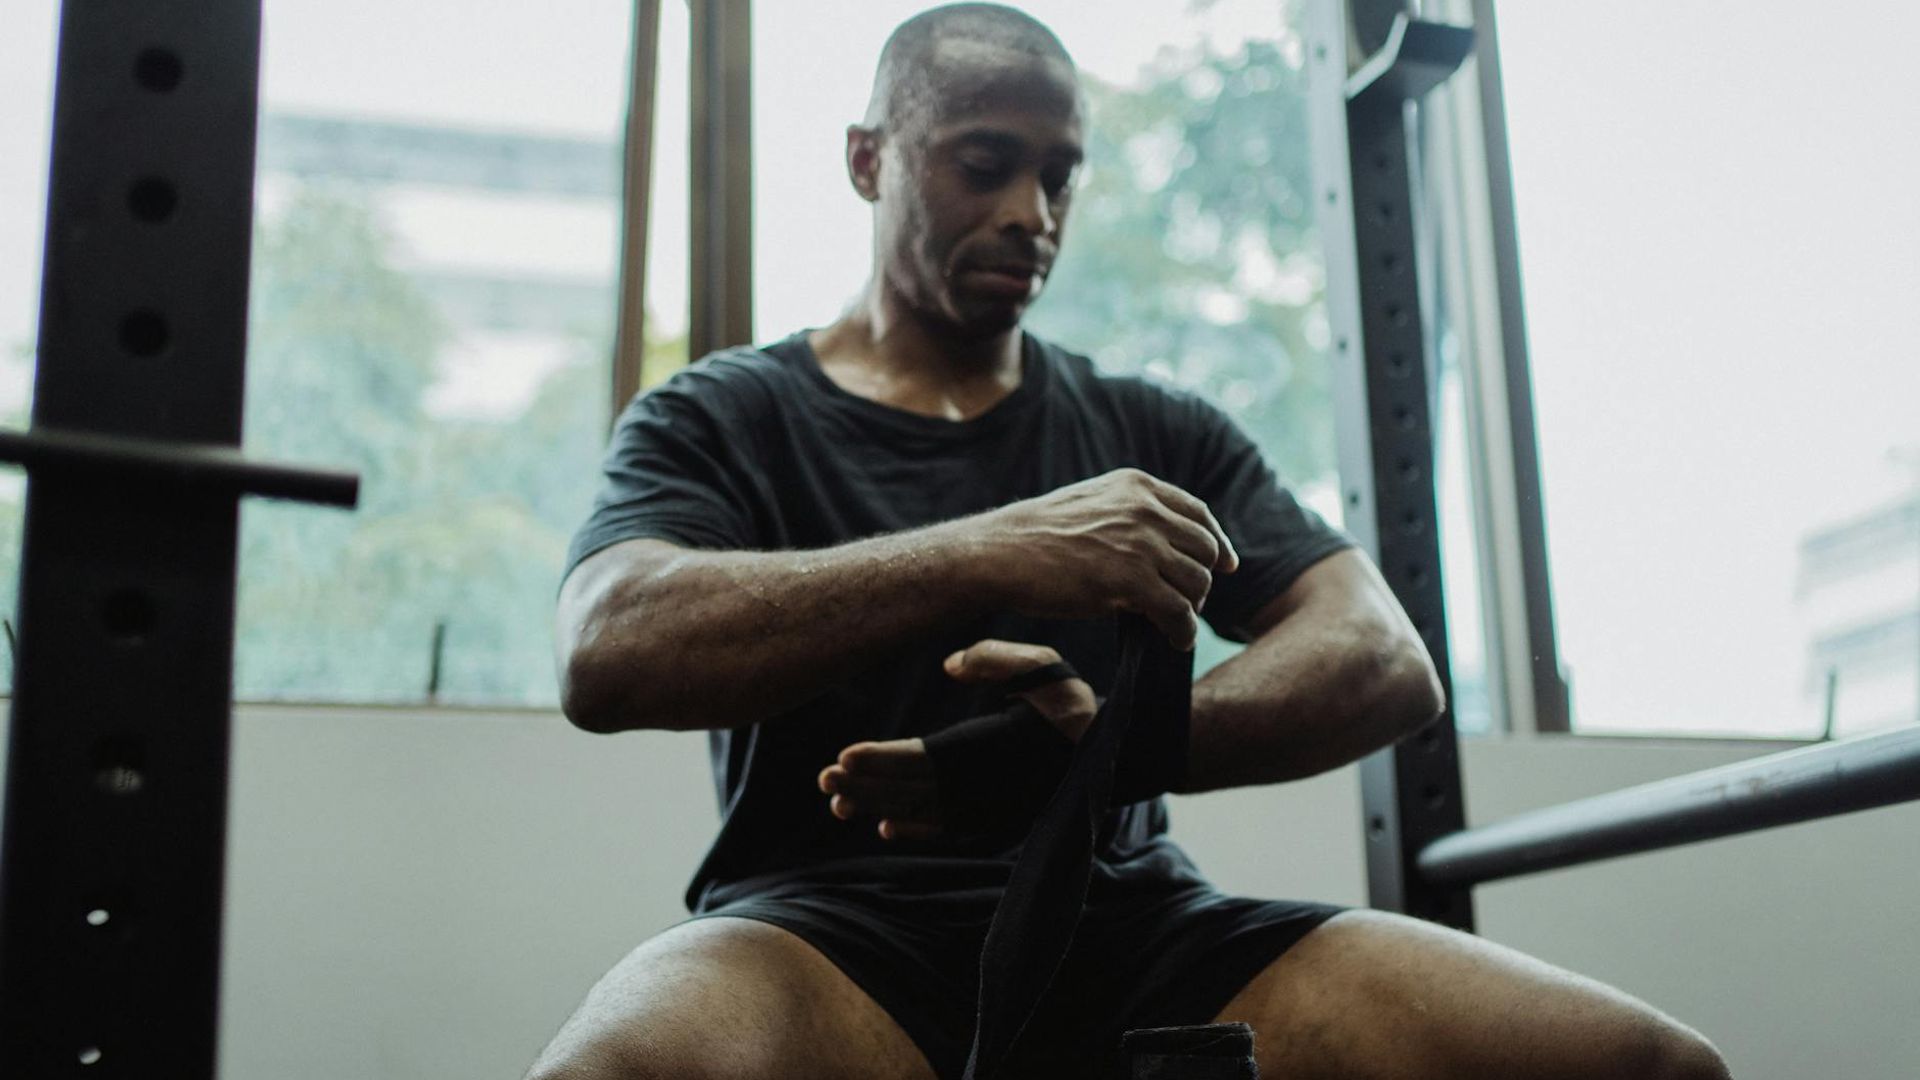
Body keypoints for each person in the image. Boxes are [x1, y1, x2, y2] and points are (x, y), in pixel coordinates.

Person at [529, 5, 1730, 1078]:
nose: (1028, 216)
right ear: (868, 160)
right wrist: (988, 550)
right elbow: (607, 649)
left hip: (1140, 924)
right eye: (984, 165)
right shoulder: (723, 412)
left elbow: (1380, 655)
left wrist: (1111, 752)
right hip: (826, 931)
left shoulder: (1150, 427)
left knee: (1653, 1065)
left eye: (1059, 177)